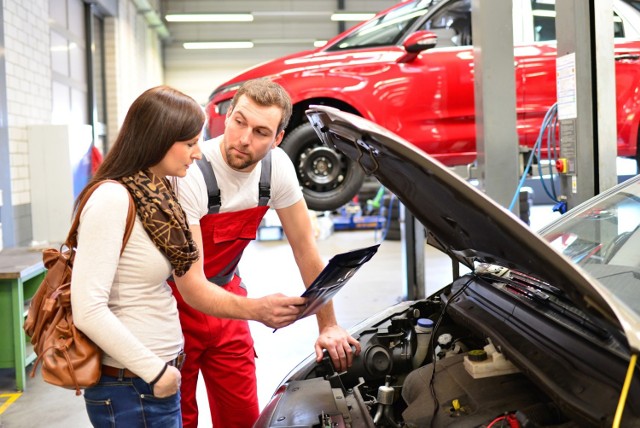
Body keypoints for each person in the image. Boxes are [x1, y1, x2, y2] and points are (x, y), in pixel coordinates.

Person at [71, 85, 306, 427]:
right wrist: (156, 371)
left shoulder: (156, 196)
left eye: (260, 132)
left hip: (159, 369)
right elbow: (89, 308)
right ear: (159, 139)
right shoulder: (112, 198)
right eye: (190, 143)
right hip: (137, 379)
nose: (198, 154)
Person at [168, 78, 362, 428]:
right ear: (226, 118)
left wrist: (328, 325)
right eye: (239, 122)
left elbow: (306, 250)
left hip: (227, 300)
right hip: (174, 305)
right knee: (178, 418)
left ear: (277, 140)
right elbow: (191, 285)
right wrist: (257, 310)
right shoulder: (191, 173)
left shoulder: (277, 169)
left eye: (260, 132)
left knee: (243, 418)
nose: (243, 139)